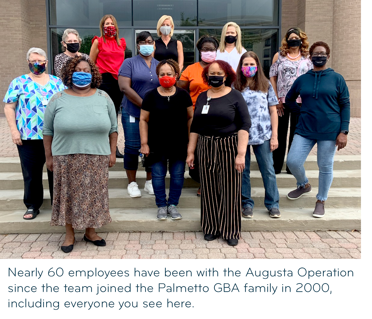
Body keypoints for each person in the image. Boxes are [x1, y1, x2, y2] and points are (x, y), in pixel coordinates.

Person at [43, 55, 118, 253]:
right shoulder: (58, 99)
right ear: (69, 74)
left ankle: (90, 232)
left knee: (93, 196)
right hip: (65, 157)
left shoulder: (104, 97)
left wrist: (112, 152)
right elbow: (47, 131)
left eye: (86, 71)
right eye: (78, 71)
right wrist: (48, 157)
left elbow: (113, 128)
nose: (82, 74)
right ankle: (69, 235)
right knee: (68, 196)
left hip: (97, 156)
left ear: (92, 74)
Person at [186, 60, 251, 246]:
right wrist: (191, 152)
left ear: (227, 75)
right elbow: (195, 126)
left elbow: (244, 125)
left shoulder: (235, 96)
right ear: (206, 76)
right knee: (209, 189)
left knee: (230, 189)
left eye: (219, 73)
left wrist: (241, 153)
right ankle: (211, 227)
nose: (215, 76)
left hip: (229, 146)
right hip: (205, 147)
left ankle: (230, 230)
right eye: (211, 73)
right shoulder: (202, 97)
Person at [285, 41, 350, 218]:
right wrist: (302, 112)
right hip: (305, 128)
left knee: (325, 166)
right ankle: (303, 185)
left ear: (328, 56)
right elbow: (289, 99)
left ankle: (321, 200)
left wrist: (344, 131)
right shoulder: (302, 79)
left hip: (330, 130)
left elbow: (345, 104)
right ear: (310, 56)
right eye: (315, 53)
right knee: (292, 161)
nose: (319, 56)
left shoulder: (337, 78)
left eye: (322, 53)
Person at [3, 48, 65, 220]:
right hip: (28, 137)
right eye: (33, 61)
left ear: (46, 62)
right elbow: (9, 106)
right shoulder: (19, 82)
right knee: (31, 173)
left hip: (55, 136)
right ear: (28, 62)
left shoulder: (56, 82)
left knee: (56, 172)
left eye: (40, 60)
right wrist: (14, 130)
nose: (37, 64)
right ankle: (32, 205)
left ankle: (57, 205)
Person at [140, 59, 193, 220]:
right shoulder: (150, 95)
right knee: (157, 175)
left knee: (177, 176)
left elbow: (190, 117)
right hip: (156, 144)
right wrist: (144, 143)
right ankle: (161, 205)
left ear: (176, 75)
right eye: (162, 74)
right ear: (157, 76)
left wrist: (191, 143)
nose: (165, 76)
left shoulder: (183, 95)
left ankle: (173, 205)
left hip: (179, 143)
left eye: (169, 74)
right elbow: (143, 119)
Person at [234, 51, 280, 219]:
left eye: (252, 64)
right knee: (242, 171)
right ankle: (246, 203)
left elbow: (273, 111)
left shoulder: (266, 84)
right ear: (241, 66)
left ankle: (273, 204)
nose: (249, 67)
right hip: (241, 135)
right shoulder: (235, 86)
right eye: (245, 64)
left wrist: (274, 136)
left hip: (263, 134)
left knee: (268, 170)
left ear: (257, 66)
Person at [118, 31, 159, 198]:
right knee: (132, 146)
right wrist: (145, 105)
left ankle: (150, 181)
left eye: (149, 41)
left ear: (154, 44)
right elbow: (124, 87)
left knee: (152, 147)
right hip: (133, 111)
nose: (146, 44)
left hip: (155, 114)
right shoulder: (129, 63)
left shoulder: (159, 64)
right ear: (137, 45)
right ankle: (132, 183)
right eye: (142, 42)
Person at [178, 35, 219, 195]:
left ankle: (209, 182)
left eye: (212, 49)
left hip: (217, 115)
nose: (209, 52)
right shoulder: (190, 69)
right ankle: (200, 179)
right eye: (205, 49)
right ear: (200, 50)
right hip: (195, 116)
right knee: (196, 150)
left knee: (212, 150)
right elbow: (181, 91)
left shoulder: (220, 68)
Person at [269, 27, 312, 174]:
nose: (294, 40)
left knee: (296, 132)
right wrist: (275, 99)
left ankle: (291, 166)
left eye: (296, 37)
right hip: (282, 101)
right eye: (291, 37)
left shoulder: (307, 57)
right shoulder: (279, 56)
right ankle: (276, 165)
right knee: (280, 131)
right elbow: (273, 78)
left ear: (302, 39)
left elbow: (312, 78)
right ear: (286, 40)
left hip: (301, 102)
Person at [90, 14, 126, 158]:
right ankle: (100, 146)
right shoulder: (98, 42)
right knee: (101, 115)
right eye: (106, 24)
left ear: (115, 26)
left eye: (111, 24)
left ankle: (113, 147)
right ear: (102, 26)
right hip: (103, 81)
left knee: (114, 115)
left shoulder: (121, 43)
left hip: (117, 82)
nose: (109, 26)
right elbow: (91, 63)